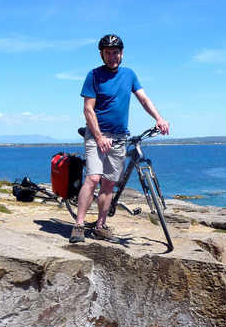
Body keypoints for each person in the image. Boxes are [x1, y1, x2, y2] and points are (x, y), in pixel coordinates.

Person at [70, 34, 169, 243]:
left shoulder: (129, 74)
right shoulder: (94, 75)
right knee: (93, 178)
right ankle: (78, 225)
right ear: (102, 54)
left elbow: (143, 98)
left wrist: (159, 118)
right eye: (108, 53)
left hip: (119, 138)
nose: (112, 56)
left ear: (121, 53)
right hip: (97, 136)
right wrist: (98, 137)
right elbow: (88, 109)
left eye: (115, 52)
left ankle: (100, 225)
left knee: (108, 185)